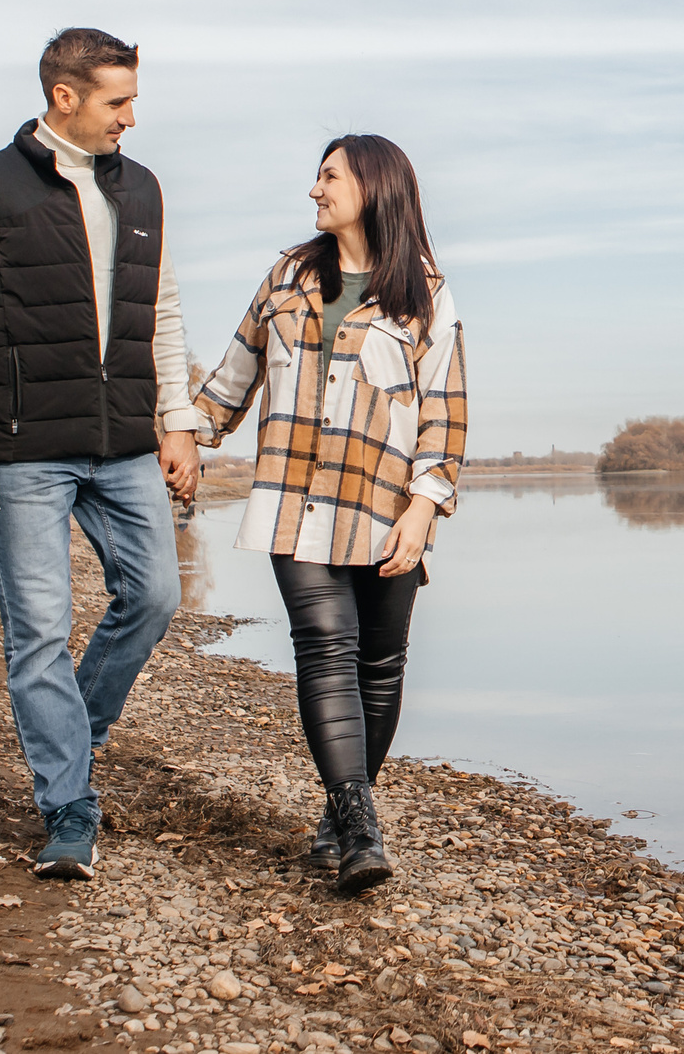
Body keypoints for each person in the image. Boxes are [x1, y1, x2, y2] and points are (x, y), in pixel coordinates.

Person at [0, 27, 202, 881]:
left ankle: (72, 729)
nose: (131, 118)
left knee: (152, 595)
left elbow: (164, 312)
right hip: (21, 450)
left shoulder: (142, 190)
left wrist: (176, 420)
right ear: (65, 96)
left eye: (133, 100)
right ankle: (69, 806)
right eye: (118, 102)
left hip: (122, 445)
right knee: (37, 633)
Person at [194, 134, 467, 894]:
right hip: (296, 502)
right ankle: (359, 824)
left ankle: (339, 819)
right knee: (323, 645)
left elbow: (445, 412)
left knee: (380, 667)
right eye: (317, 176)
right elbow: (232, 376)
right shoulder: (287, 275)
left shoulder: (425, 293)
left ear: (374, 187)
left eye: (329, 176)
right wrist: (180, 441)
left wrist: (423, 508)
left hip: (387, 509)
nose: (315, 190)